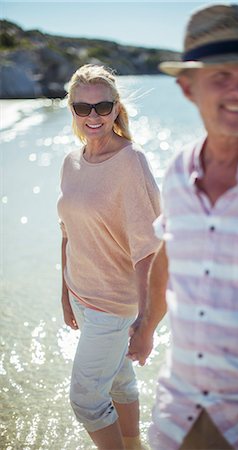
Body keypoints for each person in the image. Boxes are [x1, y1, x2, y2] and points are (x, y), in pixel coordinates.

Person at [127, 4, 238, 450]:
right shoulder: (179, 168)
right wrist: (146, 326)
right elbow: (170, 249)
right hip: (179, 415)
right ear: (187, 88)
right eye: (220, 76)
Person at [57, 64, 160, 450]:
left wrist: (147, 324)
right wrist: (64, 294)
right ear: (72, 110)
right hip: (81, 297)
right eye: (83, 108)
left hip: (113, 307)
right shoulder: (71, 162)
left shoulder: (131, 162)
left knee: (85, 400)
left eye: (102, 106)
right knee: (118, 382)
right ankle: (134, 446)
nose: (93, 116)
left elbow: (149, 251)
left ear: (116, 108)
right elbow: (67, 233)